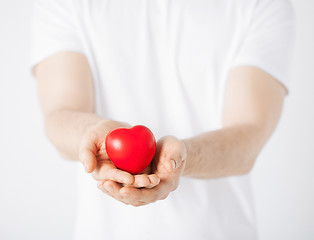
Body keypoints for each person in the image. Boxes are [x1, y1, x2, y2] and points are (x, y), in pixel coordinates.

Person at [30, 0, 295, 239]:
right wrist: (97, 135)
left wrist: (184, 156)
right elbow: (60, 113)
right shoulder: (63, 3)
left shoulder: (261, 4)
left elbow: (249, 135)